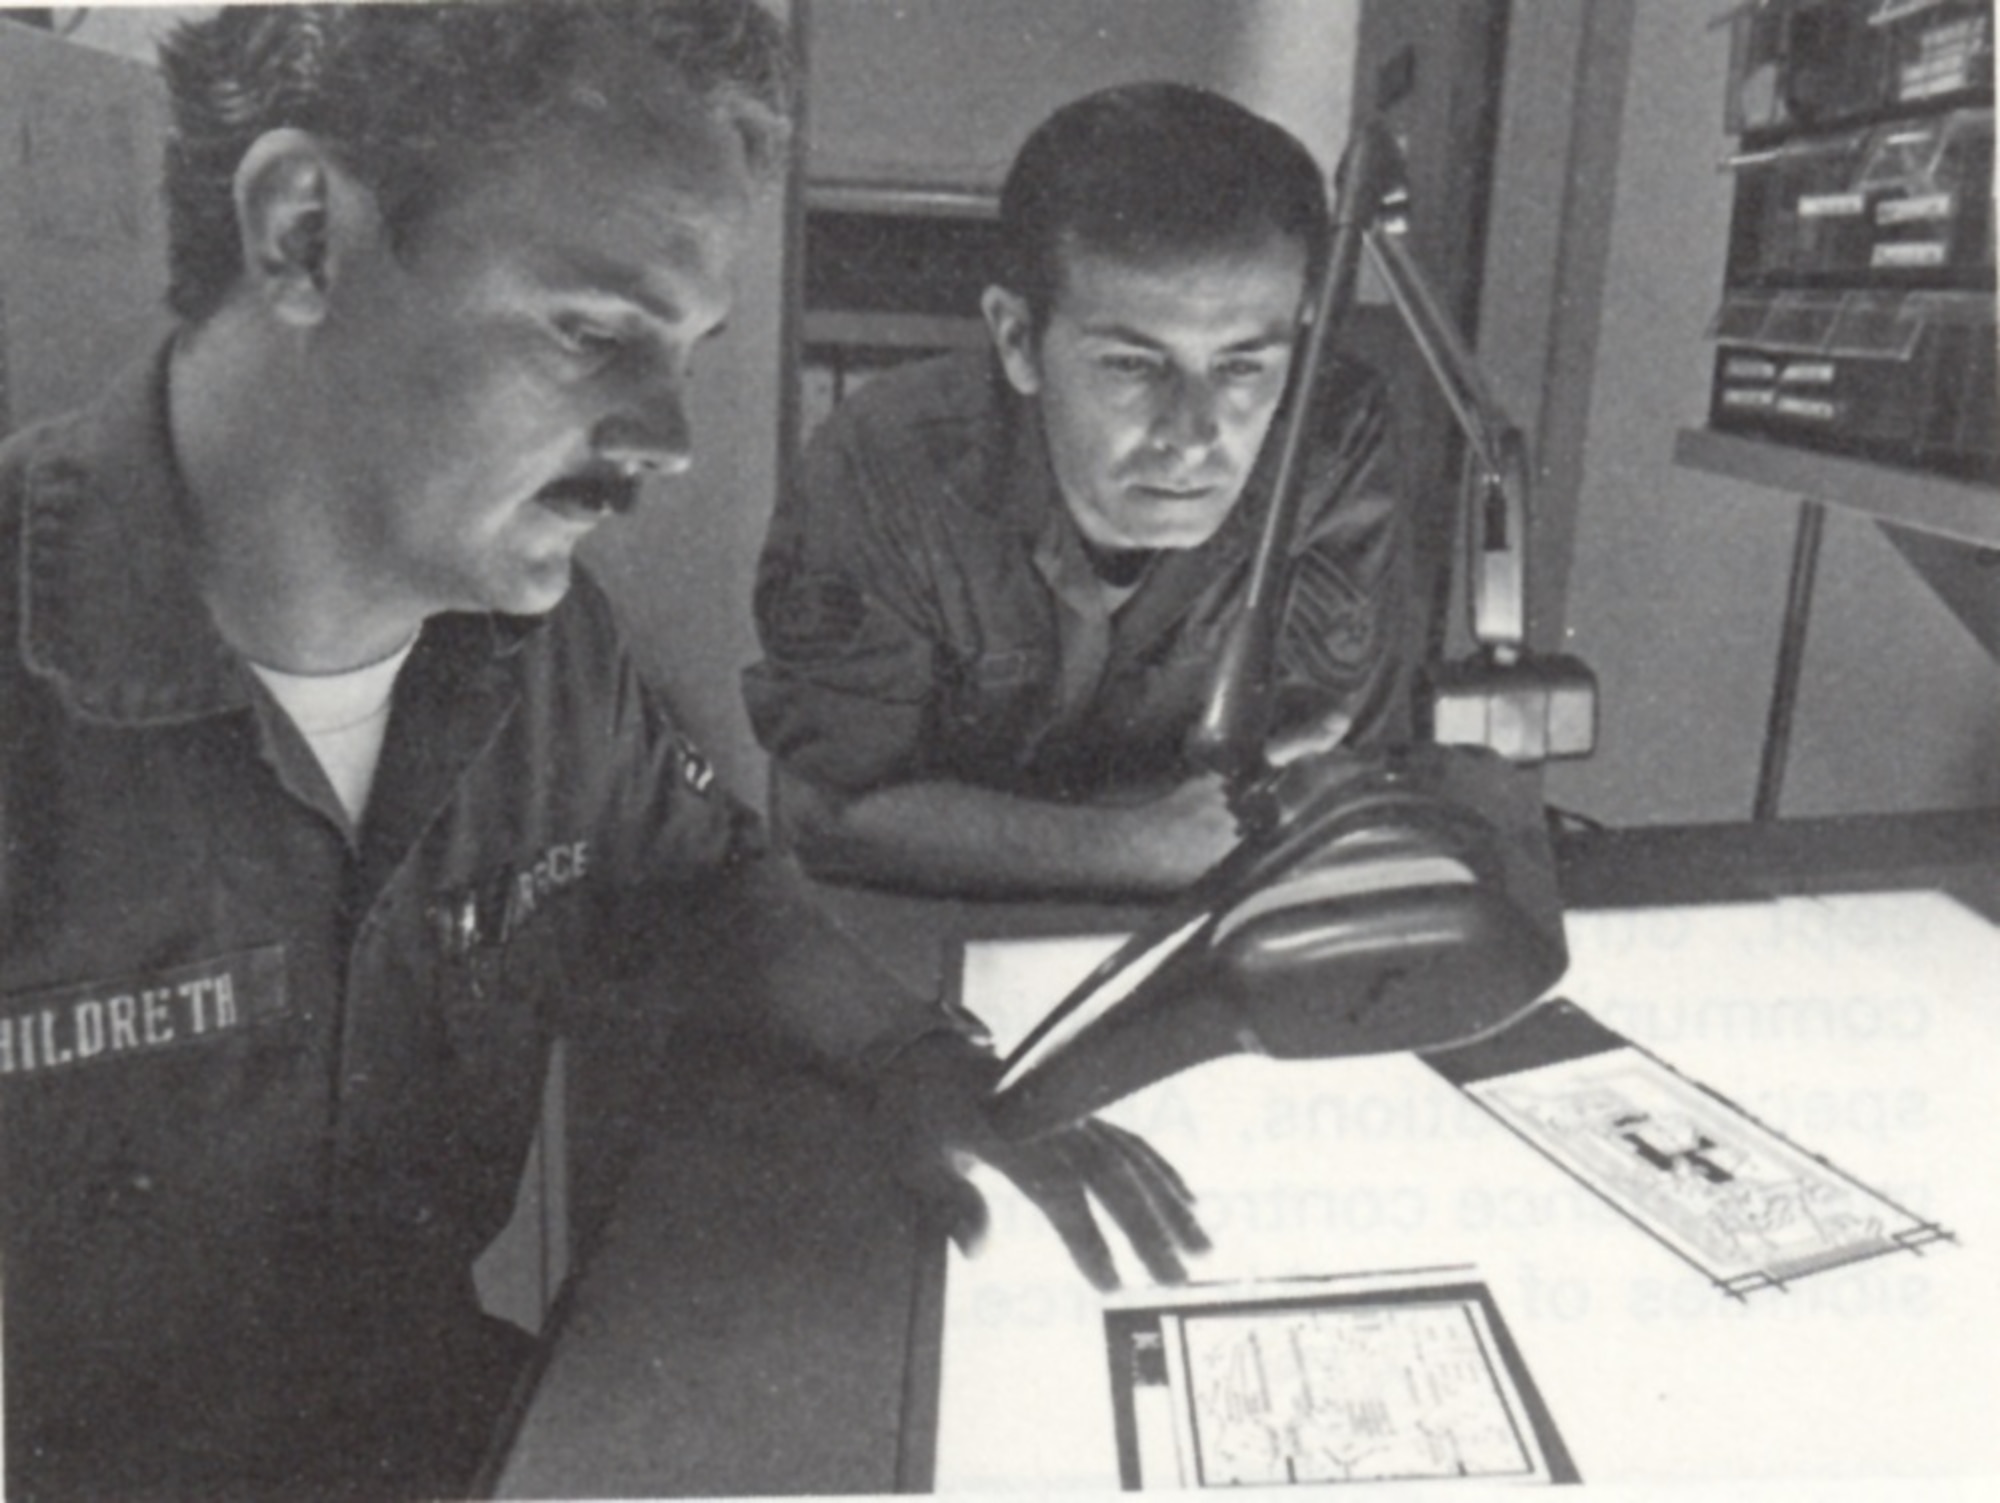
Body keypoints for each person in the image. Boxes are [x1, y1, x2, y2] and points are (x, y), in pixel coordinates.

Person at [0, 5, 1205, 1499]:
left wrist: (917, 1061)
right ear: (304, 233)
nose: (672, 437)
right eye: (592, 331)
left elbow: (703, 889)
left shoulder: (543, 657)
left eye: (685, 349)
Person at [744, 82, 1414, 900]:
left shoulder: (1329, 442)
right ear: (1019, 341)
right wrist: (1132, 844)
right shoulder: (883, 463)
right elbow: (829, 815)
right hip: (939, 955)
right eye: (1135, 365)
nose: (1194, 432)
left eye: (1242, 365)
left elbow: (1326, 776)